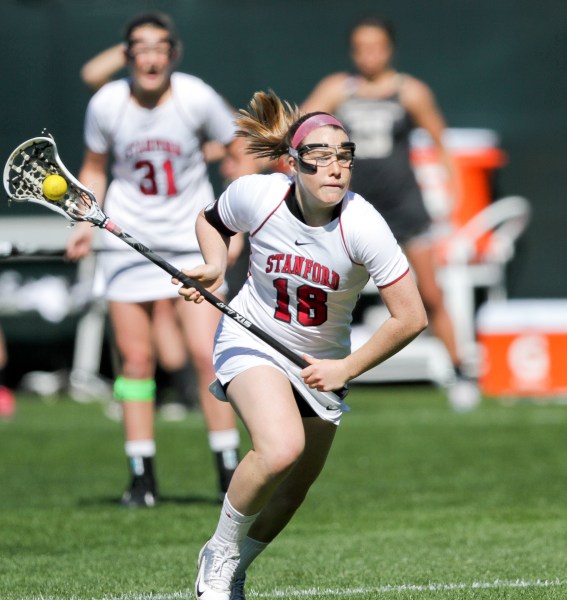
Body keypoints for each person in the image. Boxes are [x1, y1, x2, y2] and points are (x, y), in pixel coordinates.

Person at [174, 90, 428, 600]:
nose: (334, 168)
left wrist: (346, 369)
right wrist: (216, 266)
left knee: (294, 488)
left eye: (343, 155)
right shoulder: (258, 195)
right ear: (293, 164)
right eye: (319, 156)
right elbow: (211, 221)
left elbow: (412, 316)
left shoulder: (363, 225)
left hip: (321, 361)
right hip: (253, 335)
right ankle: (218, 555)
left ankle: (236, 567)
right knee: (280, 449)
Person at [65, 11, 245, 506]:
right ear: (127, 55)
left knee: (208, 356)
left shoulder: (195, 97)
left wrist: (235, 218)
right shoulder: (106, 104)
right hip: (126, 242)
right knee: (137, 361)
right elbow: (95, 168)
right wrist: (85, 219)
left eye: (160, 48)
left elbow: (238, 152)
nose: (151, 57)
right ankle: (141, 477)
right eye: (140, 48)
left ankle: (228, 472)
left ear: (173, 54)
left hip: (193, 241)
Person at [301, 15, 480, 412]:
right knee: (324, 287)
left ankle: (460, 371)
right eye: (361, 47)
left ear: (389, 49)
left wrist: (450, 197)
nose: (369, 55)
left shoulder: (409, 91)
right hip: (351, 208)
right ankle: (314, 371)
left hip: (405, 208)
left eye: (376, 47)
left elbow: (440, 141)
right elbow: (302, 129)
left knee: (430, 293)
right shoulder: (337, 89)